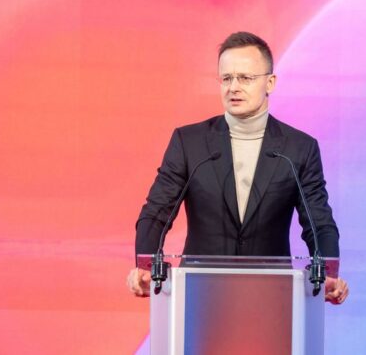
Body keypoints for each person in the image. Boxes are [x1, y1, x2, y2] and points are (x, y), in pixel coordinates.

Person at [126, 32, 349, 304]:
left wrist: (328, 272)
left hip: (272, 298)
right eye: (227, 78)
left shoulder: (298, 149)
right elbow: (156, 212)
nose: (233, 87)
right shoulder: (190, 142)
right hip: (199, 296)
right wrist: (146, 265)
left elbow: (319, 223)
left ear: (270, 82)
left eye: (245, 78)